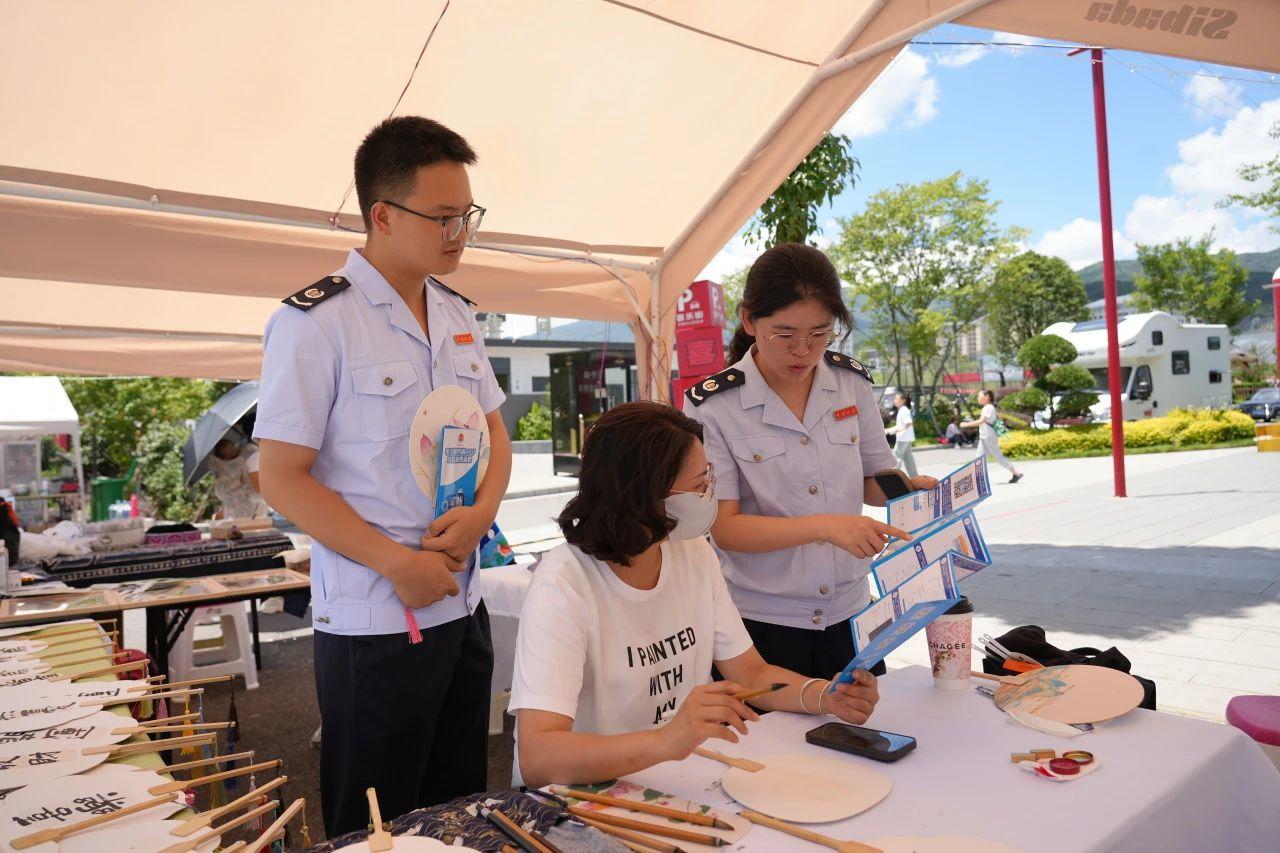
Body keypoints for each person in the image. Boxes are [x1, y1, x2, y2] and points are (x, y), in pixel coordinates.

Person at [253, 117, 511, 836]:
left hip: (461, 603)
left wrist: (482, 513)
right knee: (375, 827)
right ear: (384, 215)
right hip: (375, 620)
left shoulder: (457, 314)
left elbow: (495, 433)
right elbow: (282, 477)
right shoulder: (316, 322)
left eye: (468, 215)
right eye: (444, 217)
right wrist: (397, 563)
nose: (460, 233)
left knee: (459, 816)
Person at [510, 402, 881, 787]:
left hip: (677, 776)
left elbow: (751, 673)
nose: (709, 494)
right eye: (700, 484)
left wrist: (824, 696)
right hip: (584, 795)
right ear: (644, 494)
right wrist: (667, 740)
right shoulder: (564, 583)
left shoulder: (692, 553)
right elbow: (539, 758)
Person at [683, 244, 936, 680]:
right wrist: (826, 526)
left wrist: (905, 489)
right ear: (749, 321)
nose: (803, 350)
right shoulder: (714, 405)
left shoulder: (851, 383)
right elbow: (726, 528)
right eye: (784, 335)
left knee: (866, 721)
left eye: (820, 334)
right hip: (760, 624)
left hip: (852, 613)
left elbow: (872, 478)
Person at [961, 389, 1022, 484]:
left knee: (997, 457)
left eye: (979, 396)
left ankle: (1016, 473)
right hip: (985, 436)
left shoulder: (988, 407)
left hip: (989, 436)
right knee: (978, 459)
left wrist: (966, 424)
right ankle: (977, 480)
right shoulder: (988, 407)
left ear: (986, 397)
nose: (978, 398)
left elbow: (981, 421)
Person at [206, 433, 270, 520]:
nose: (235, 454)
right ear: (223, 457)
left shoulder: (246, 455)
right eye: (232, 453)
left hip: (246, 509)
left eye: (235, 451)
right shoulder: (250, 457)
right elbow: (259, 489)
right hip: (246, 510)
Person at [885, 392, 918, 477]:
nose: (895, 400)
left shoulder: (903, 410)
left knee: (896, 457)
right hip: (906, 438)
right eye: (894, 399)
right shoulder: (903, 409)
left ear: (903, 400)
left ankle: (893, 477)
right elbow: (901, 425)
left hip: (903, 438)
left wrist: (901, 431)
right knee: (908, 459)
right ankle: (915, 477)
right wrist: (889, 430)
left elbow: (908, 423)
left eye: (896, 399)